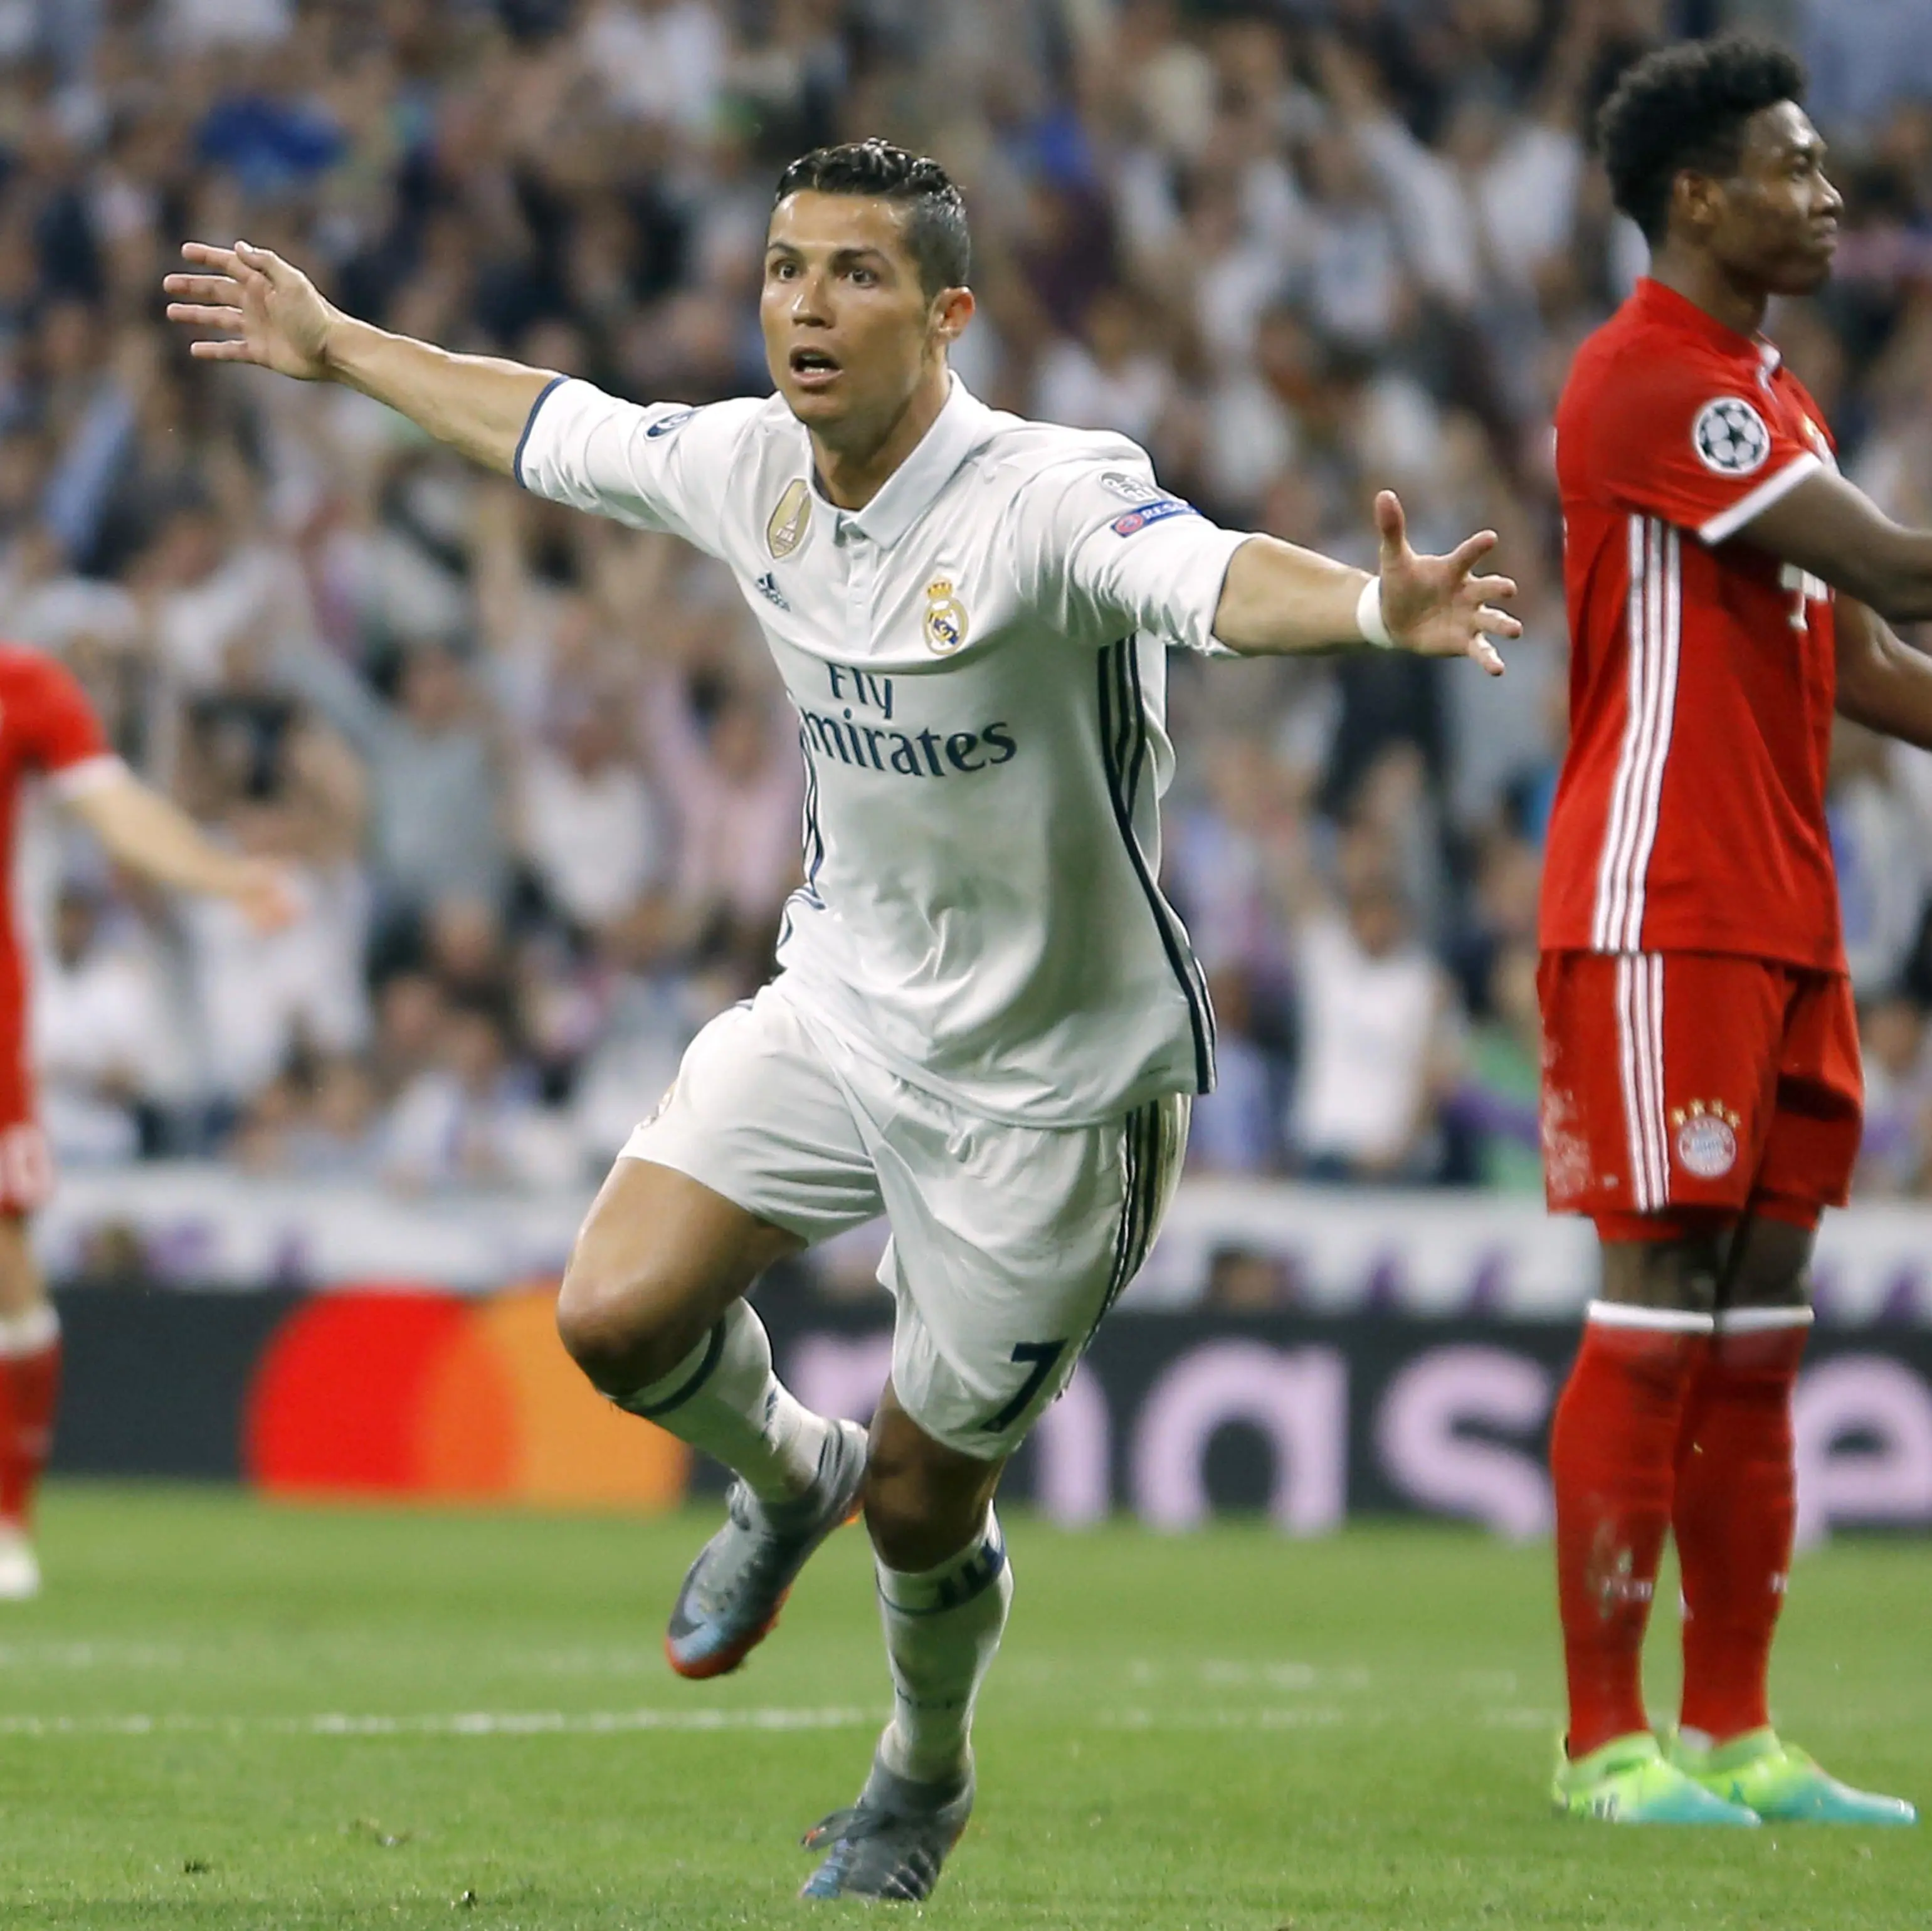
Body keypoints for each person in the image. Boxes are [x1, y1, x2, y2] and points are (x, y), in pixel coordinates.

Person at [164, 139, 1518, 1899]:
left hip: (1057, 1089)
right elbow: (548, 421)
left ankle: (918, 1775)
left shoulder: (1043, 492)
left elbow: (1199, 576)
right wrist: (338, 343)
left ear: (947, 312)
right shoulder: (750, 467)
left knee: (923, 1506)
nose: (808, 303)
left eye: (858, 273)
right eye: (788, 267)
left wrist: (1364, 607)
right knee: (617, 1312)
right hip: (846, 1007)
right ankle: (780, 1465)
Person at [1539, 36, 1931, 1826]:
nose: (1829, 191)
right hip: (1661, 908)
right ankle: (1604, 1743)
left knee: (1763, 1320)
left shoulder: (1771, 406)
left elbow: (1872, 668)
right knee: (1661, 1300)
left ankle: (1740, 1733)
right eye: (1797, 163)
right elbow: (1902, 573)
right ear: (1700, 196)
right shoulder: (1648, 383)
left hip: (1783, 917)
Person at [0, 649, 292, 1599]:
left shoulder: (26, 686)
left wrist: (222, 876)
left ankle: (7, 1525)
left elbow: (114, 809)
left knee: (12, 1279)